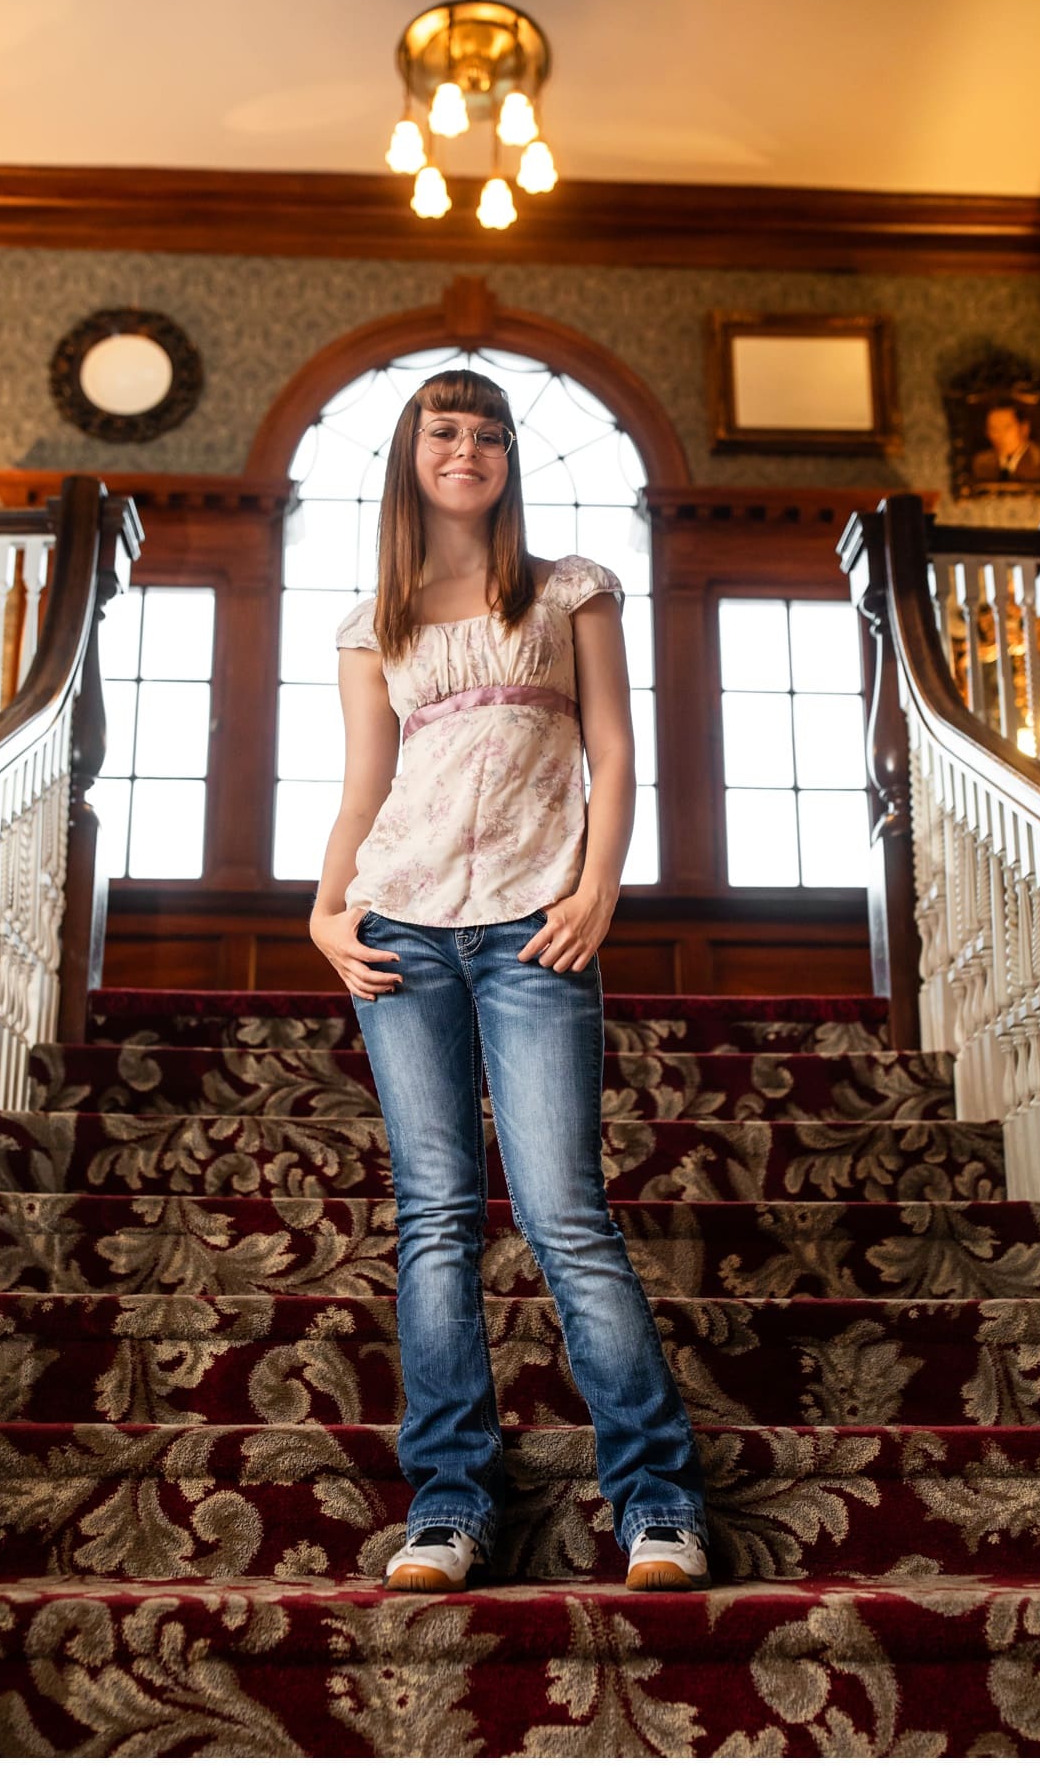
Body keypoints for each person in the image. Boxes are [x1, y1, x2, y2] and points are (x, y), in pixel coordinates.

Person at [308, 370, 710, 1594]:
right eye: (445, 429)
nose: (468, 448)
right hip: (403, 930)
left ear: (507, 459)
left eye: (488, 433)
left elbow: (615, 745)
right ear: (410, 453)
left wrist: (600, 888)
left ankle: (657, 1503)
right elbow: (364, 789)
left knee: (564, 1217)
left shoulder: (570, 588)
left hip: (539, 924)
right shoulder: (375, 621)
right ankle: (448, 1505)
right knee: (433, 1219)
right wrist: (326, 911)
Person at [969, 401, 1040, 486]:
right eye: (993, 429)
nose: (1000, 435)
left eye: (1007, 428)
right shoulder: (980, 463)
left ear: (1024, 429)